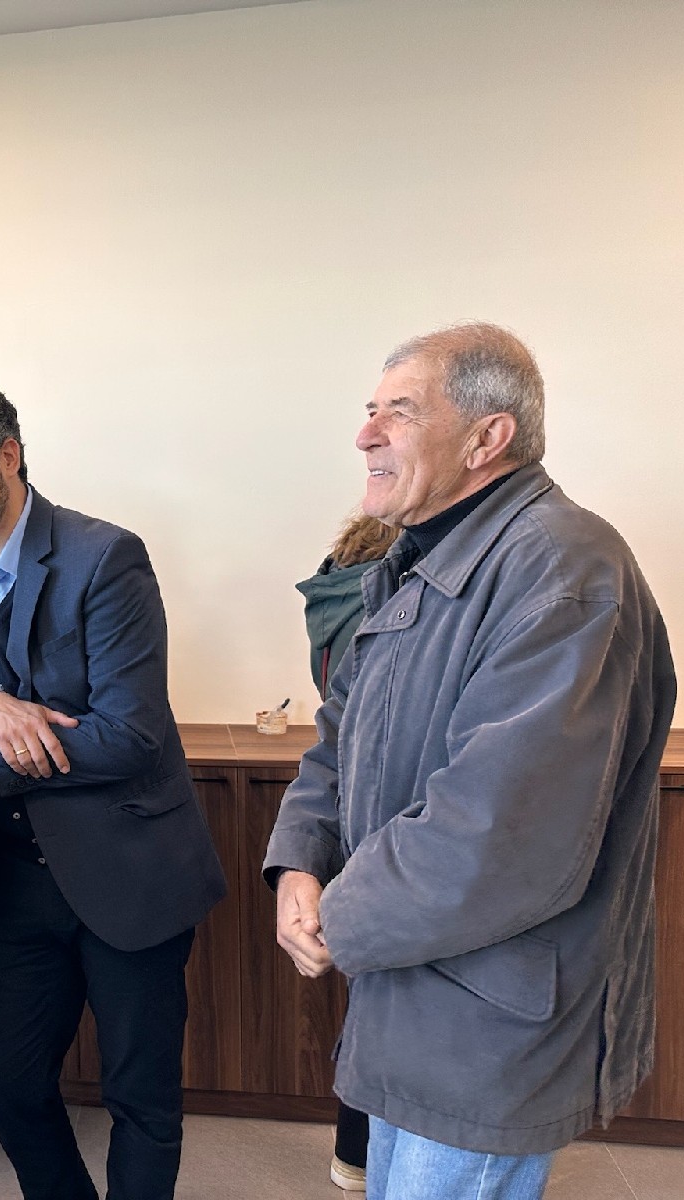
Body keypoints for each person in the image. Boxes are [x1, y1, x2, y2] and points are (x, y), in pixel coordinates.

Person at [265, 323, 675, 1200]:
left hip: (487, 1028)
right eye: (370, 410)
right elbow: (338, 737)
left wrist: (338, 915)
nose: (365, 435)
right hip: (408, 997)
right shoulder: (412, 563)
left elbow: (499, 834)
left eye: (400, 412)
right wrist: (300, 861)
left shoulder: (563, 567)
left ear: (489, 436)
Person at [0, 374, 227, 1200]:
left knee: (141, 1100)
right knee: (9, 1088)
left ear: (6, 455)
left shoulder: (105, 557)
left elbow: (129, 736)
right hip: (11, 880)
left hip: (128, 866)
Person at [294, 509, 399, 1193]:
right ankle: (362, 1153)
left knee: (368, 988)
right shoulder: (388, 600)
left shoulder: (330, 599)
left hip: (349, 804)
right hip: (388, 809)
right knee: (385, 994)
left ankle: (353, 1152)